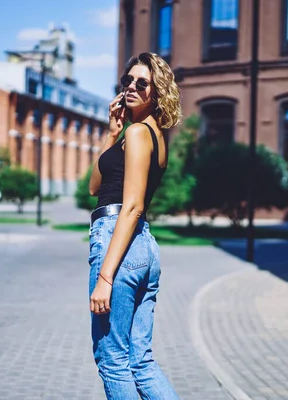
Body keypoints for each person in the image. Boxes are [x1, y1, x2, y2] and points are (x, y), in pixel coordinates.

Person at [87, 52, 182, 399]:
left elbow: (132, 207)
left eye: (142, 83)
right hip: (141, 247)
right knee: (139, 361)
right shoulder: (142, 134)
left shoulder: (141, 133)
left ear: (156, 92)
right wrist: (112, 132)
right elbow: (94, 187)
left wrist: (105, 277)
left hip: (119, 241)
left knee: (112, 359)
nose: (131, 87)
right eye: (127, 81)